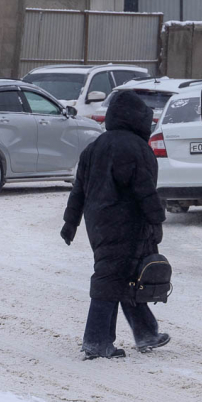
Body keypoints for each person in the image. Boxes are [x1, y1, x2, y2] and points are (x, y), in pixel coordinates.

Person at [60, 90, 169, 360]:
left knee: (126, 276)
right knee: (110, 279)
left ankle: (146, 332)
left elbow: (79, 189)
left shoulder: (94, 147)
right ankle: (96, 341)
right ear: (138, 119)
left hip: (97, 224)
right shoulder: (135, 148)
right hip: (126, 223)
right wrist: (156, 219)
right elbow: (144, 190)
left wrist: (70, 222)